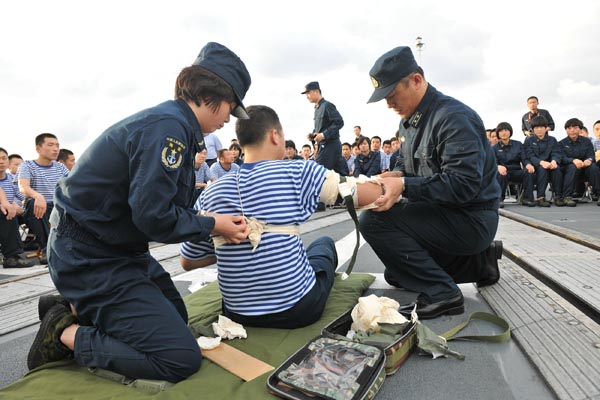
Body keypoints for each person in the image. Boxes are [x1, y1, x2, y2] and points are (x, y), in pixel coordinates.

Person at [26, 42, 251, 383]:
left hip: (117, 250)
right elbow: (154, 217)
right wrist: (214, 224)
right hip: (89, 257)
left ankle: (80, 308)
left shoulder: (175, 126)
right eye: (230, 109)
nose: (226, 120)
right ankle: (63, 332)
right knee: (178, 357)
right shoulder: (168, 130)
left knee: (176, 317)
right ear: (213, 96)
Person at [179, 105, 383, 328]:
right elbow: (365, 194)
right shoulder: (297, 171)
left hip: (238, 313)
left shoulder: (210, 192)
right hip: (297, 309)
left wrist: (231, 247)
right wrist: (395, 183)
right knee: (323, 245)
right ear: (275, 136)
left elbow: (188, 261)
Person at [358, 46, 502, 319]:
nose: (388, 104)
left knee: (374, 222)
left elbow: (463, 186)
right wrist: (396, 176)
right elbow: (405, 164)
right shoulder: (407, 123)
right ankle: (478, 263)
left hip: (469, 218)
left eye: (392, 95)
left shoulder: (453, 118)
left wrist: (406, 186)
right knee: (398, 273)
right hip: (443, 213)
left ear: (415, 80)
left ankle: (443, 294)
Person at [18, 133, 70, 259]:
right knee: (32, 203)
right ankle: (49, 248)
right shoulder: (28, 165)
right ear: (38, 149)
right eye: (50, 145)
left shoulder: (60, 167)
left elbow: (72, 185)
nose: (55, 149)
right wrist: (38, 196)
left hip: (57, 206)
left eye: (57, 145)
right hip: (38, 207)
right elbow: (23, 186)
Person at [0, 147, 35, 268]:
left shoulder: (11, 179)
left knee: (33, 205)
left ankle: (38, 243)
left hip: (12, 213)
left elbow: (22, 195)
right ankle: (11, 257)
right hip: (5, 213)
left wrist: (25, 203)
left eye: (3, 158)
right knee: (6, 211)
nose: (1, 161)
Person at [302, 81, 344, 172]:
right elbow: (321, 127)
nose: (307, 96)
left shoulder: (327, 105)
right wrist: (313, 135)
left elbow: (339, 122)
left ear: (317, 91)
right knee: (339, 174)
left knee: (318, 172)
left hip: (330, 145)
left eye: (308, 93)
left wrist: (323, 135)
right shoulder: (317, 108)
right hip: (324, 146)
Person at [557, 118, 600, 206]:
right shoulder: (561, 143)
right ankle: (567, 197)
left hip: (584, 168)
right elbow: (561, 158)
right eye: (569, 128)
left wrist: (589, 160)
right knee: (572, 167)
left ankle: (599, 194)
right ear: (566, 130)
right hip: (568, 170)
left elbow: (591, 155)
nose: (572, 130)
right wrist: (573, 160)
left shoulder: (587, 141)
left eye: (575, 128)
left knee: (593, 167)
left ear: (580, 129)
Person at [524, 116, 564, 207]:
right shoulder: (529, 140)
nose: (539, 130)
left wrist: (554, 161)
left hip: (550, 165)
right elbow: (529, 155)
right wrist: (541, 162)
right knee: (542, 169)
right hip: (536, 166)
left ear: (546, 128)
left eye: (541, 127)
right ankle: (540, 197)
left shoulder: (552, 140)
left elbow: (556, 152)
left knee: (557, 169)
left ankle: (558, 196)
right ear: (533, 129)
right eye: (536, 128)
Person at [492, 122, 535, 207]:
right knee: (501, 174)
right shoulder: (494, 148)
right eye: (501, 131)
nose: (503, 133)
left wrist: (528, 165)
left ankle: (527, 198)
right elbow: (492, 162)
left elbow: (524, 159)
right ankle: (499, 199)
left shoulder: (518, 144)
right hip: (504, 171)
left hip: (516, 171)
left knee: (528, 172)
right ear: (498, 133)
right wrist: (498, 166)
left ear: (510, 132)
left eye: (506, 130)